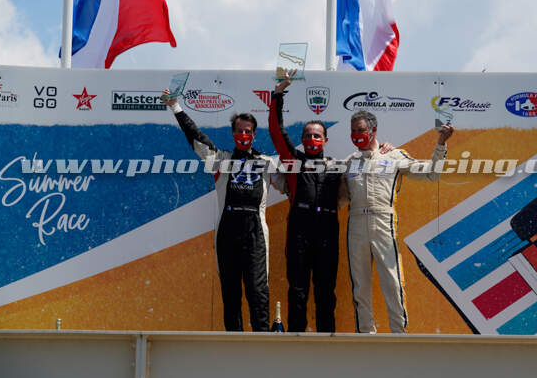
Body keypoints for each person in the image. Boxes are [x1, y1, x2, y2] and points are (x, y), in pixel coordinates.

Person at [269, 74, 393, 332]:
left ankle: (327, 343)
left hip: (327, 230)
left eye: (317, 136)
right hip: (299, 230)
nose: (312, 139)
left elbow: (365, 167)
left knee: (326, 291)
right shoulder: (293, 161)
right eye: (307, 135)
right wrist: (278, 95)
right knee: (298, 291)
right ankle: (296, 342)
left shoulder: (339, 166)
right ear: (302, 139)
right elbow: (277, 132)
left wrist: (384, 148)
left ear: (326, 140)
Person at [162, 91, 285, 332]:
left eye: (248, 131)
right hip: (227, 234)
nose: (243, 135)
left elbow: (292, 187)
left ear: (254, 134)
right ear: (232, 133)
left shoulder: (267, 163)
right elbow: (197, 138)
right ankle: (233, 345)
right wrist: (175, 106)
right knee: (230, 293)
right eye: (239, 131)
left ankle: (263, 343)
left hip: (256, 235)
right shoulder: (220, 160)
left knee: (258, 291)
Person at [344, 110, 454, 333]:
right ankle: (365, 333)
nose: (356, 135)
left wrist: (441, 144)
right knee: (359, 284)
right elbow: (337, 196)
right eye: (353, 131)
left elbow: (431, 173)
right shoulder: (349, 162)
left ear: (373, 130)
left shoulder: (394, 156)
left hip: (383, 221)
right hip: (355, 223)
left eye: (361, 130)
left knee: (392, 280)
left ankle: (398, 333)